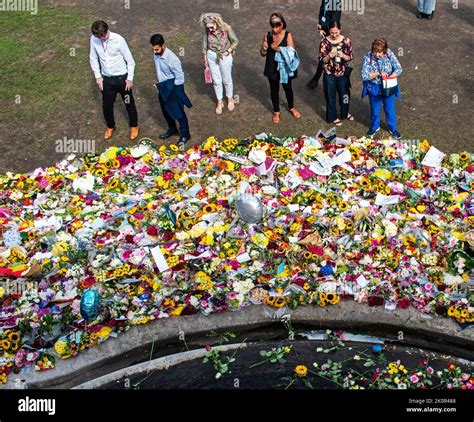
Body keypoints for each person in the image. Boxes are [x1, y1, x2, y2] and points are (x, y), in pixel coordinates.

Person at [89, 20, 139, 141]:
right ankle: (111, 126)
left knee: (128, 104)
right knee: (107, 105)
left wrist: (130, 79)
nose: (101, 39)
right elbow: (93, 58)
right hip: (106, 80)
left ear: (107, 31)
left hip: (122, 79)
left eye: (103, 36)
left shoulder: (119, 39)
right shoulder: (94, 39)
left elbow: (130, 61)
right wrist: (98, 77)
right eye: (98, 37)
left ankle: (134, 125)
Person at [150, 34, 192, 150]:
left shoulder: (172, 59)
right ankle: (172, 129)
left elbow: (180, 79)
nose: (154, 51)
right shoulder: (156, 54)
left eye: (157, 49)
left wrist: (168, 86)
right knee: (165, 110)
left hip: (173, 88)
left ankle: (185, 134)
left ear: (163, 46)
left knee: (178, 112)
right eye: (153, 49)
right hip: (163, 87)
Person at [261, 12, 301, 124]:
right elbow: (262, 53)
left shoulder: (288, 35)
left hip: (284, 67)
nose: (275, 29)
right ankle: (276, 111)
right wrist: (264, 49)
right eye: (273, 26)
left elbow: (292, 53)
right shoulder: (267, 35)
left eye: (277, 26)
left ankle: (291, 107)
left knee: (288, 88)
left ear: (282, 24)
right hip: (271, 67)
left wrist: (279, 49)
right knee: (274, 90)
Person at [361, 38, 403, 139]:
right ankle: (375, 127)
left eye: (380, 52)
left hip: (388, 87)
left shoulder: (389, 54)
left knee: (390, 109)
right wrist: (378, 73)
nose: (377, 54)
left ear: (384, 51)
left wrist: (391, 76)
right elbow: (364, 75)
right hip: (375, 88)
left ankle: (393, 129)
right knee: (375, 110)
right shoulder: (368, 56)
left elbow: (398, 68)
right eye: (375, 51)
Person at [201, 13, 239, 114]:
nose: (210, 30)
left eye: (211, 27)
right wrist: (205, 57)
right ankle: (219, 101)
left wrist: (229, 50)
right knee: (216, 80)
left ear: (216, 22)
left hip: (224, 56)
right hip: (211, 56)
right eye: (208, 28)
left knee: (227, 79)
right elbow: (205, 43)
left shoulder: (226, 28)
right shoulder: (207, 30)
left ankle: (230, 99)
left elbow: (235, 41)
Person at [319, 21, 353, 126]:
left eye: (336, 32)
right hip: (330, 73)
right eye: (332, 32)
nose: (334, 35)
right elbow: (323, 60)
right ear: (329, 31)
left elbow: (350, 57)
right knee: (330, 96)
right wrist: (329, 55)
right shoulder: (324, 42)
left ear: (340, 29)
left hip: (343, 72)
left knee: (345, 94)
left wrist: (343, 55)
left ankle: (345, 113)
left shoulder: (346, 41)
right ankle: (332, 116)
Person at [307, 0, 342, 89]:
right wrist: (320, 23)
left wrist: (322, 27)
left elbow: (335, 18)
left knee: (328, 56)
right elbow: (322, 10)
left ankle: (316, 79)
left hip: (332, 32)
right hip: (325, 29)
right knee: (325, 55)